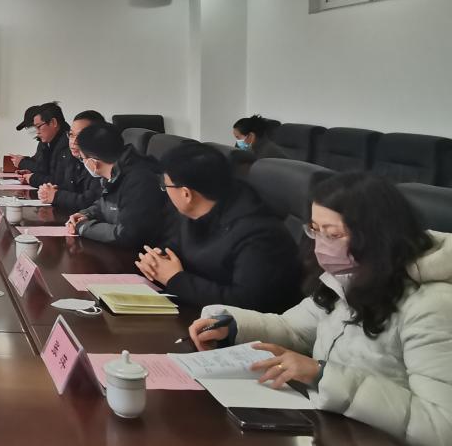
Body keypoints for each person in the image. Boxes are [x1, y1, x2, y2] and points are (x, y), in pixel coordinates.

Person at [188, 172, 452, 446]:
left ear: (377, 236)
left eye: (333, 234)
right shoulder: (348, 277)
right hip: (335, 428)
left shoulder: (433, 306)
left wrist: (323, 375)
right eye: (315, 230)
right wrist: (232, 325)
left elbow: (441, 426)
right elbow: (293, 329)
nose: (320, 245)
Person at [135, 143, 302, 313]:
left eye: (166, 186)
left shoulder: (260, 234)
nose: (165, 192)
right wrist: (158, 260)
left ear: (186, 194)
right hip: (199, 311)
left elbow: (246, 302)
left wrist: (175, 279)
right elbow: (178, 246)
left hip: (245, 324)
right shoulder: (196, 211)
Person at [66, 122, 175, 249]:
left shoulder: (139, 180)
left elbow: (128, 234)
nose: (83, 162)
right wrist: (86, 214)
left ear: (94, 163)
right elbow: (106, 204)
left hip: (147, 254)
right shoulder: (117, 172)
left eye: (82, 159)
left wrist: (83, 227)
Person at [37, 110, 104, 212]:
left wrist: (56, 196)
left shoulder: (102, 163)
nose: (73, 141)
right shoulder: (70, 157)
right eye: (71, 135)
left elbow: (92, 202)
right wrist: (49, 190)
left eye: (81, 135)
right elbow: (64, 185)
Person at [13, 102, 70, 186]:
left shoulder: (69, 143)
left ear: (53, 122)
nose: (37, 132)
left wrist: (32, 177)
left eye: (38, 126)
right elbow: (46, 170)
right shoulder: (50, 141)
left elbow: (60, 181)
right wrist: (32, 174)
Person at [8, 104, 42, 171]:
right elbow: (38, 161)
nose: (32, 131)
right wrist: (24, 159)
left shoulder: (60, 141)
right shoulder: (43, 142)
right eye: (27, 127)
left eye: (31, 126)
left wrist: (22, 163)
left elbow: (46, 168)